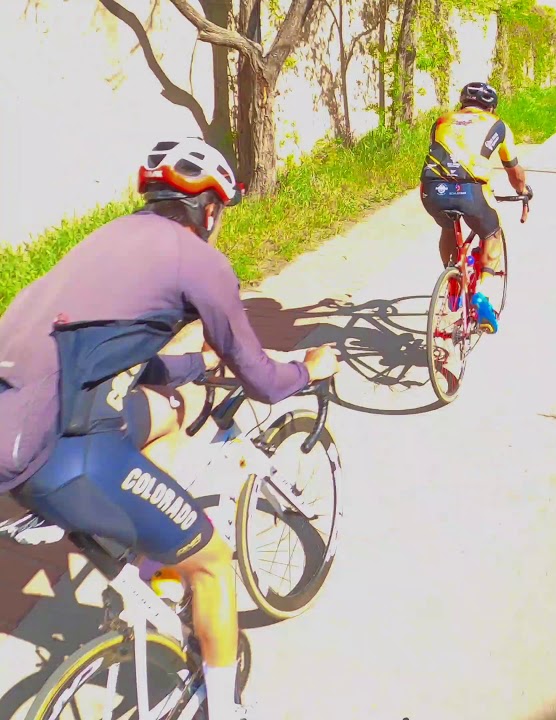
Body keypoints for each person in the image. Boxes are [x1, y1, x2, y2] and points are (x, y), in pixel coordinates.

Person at [0, 137, 341, 720]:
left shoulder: (106, 240)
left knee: (169, 413)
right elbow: (259, 378)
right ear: (209, 210)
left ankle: (150, 558)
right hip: (64, 454)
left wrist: (198, 365)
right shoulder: (199, 259)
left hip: (29, 427)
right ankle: (224, 707)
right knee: (212, 563)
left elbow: (107, 361)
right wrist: (305, 370)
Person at [419, 80, 533, 334]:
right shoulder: (497, 125)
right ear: (491, 107)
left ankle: (453, 281)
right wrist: (522, 191)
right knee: (492, 233)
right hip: (470, 190)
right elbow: (514, 172)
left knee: (448, 227)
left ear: (462, 104)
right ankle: (481, 295)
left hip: (431, 189)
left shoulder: (441, 121)